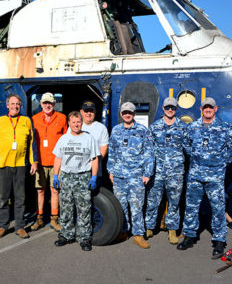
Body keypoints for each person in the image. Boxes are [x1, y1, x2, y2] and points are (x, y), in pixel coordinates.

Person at [177, 97, 232, 259]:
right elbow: (185, 144)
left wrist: (221, 162)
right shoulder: (193, 127)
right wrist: (197, 157)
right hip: (195, 175)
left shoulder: (225, 128)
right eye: (205, 107)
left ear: (216, 108)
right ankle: (190, 236)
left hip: (215, 177)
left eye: (211, 107)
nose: (208, 109)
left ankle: (219, 240)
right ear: (201, 109)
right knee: (191, 207)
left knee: (218, 209)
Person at [0, 94, 38, 239]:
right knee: (3, 198)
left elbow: (32, 143)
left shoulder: (26, 120)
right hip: (3, 165)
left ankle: (20, 226)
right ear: (7, 105)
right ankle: (3, 226)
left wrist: (34, 161)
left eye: (18, 104)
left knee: (20, 198)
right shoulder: (0, 121)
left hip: (21, 165)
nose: (15, 106)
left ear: (20, 106)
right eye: (12, 103)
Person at [107, 102, 154, 249]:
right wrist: (111, 171)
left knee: (137, 206)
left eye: (130, 112)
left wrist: (147, 174)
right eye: (125, 112)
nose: (127, 115)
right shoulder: (116, 130)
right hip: (119, 176)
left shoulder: (142, 130)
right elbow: (112, 153)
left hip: (136, 176)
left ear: (134, 114)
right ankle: (123, 231)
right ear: (121, 114)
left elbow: (149, 153)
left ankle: (138, 235)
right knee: (121, 206)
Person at [52, 111, 99, 251]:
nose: (76, 124)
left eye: (78, 122)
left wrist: (94, 176)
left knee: (84, 208)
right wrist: (56, 175)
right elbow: (58, 158)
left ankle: (84, 238)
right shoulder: (63, 139)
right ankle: (66, 235)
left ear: (81, 122)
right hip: (66, 176)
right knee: (66, 207)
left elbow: (94, 159)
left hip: (83, 176)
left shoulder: (89, 138)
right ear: (69, 123)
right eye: (73, 122)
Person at [145, 97, 187, 244]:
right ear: (163, 108)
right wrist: (147, 171)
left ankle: (172, 230)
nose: (170, 110)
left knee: (174, 202)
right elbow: (149, 150)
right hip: (157, 172)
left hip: (175, 172)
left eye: (173, 108)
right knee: (152, 200)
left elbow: (188, 149)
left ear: (176, 109)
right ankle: (149, 227)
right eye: (168, 107)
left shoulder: (183, 127)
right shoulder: (154, 127)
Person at [31, 92, 67, 232]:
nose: (47, 105)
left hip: (56, 162)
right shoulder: (34, 119)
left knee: (55, 190)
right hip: (39, 161)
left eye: (50, 103)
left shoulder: (62, 118)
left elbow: (65, 140)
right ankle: (39, 218)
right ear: (40, 104)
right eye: (45, 103)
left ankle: (54, 219)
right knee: (40, 190)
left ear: (54, 104)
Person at [77, 101, 109, 185]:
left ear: (95, 112)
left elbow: (104, 147)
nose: (89, 113)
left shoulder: (101, 128)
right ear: (81, 112)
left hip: (95, 172)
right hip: (77, 171)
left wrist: (94, 163)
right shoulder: (75, 126)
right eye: (86, 111)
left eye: (91, 111)